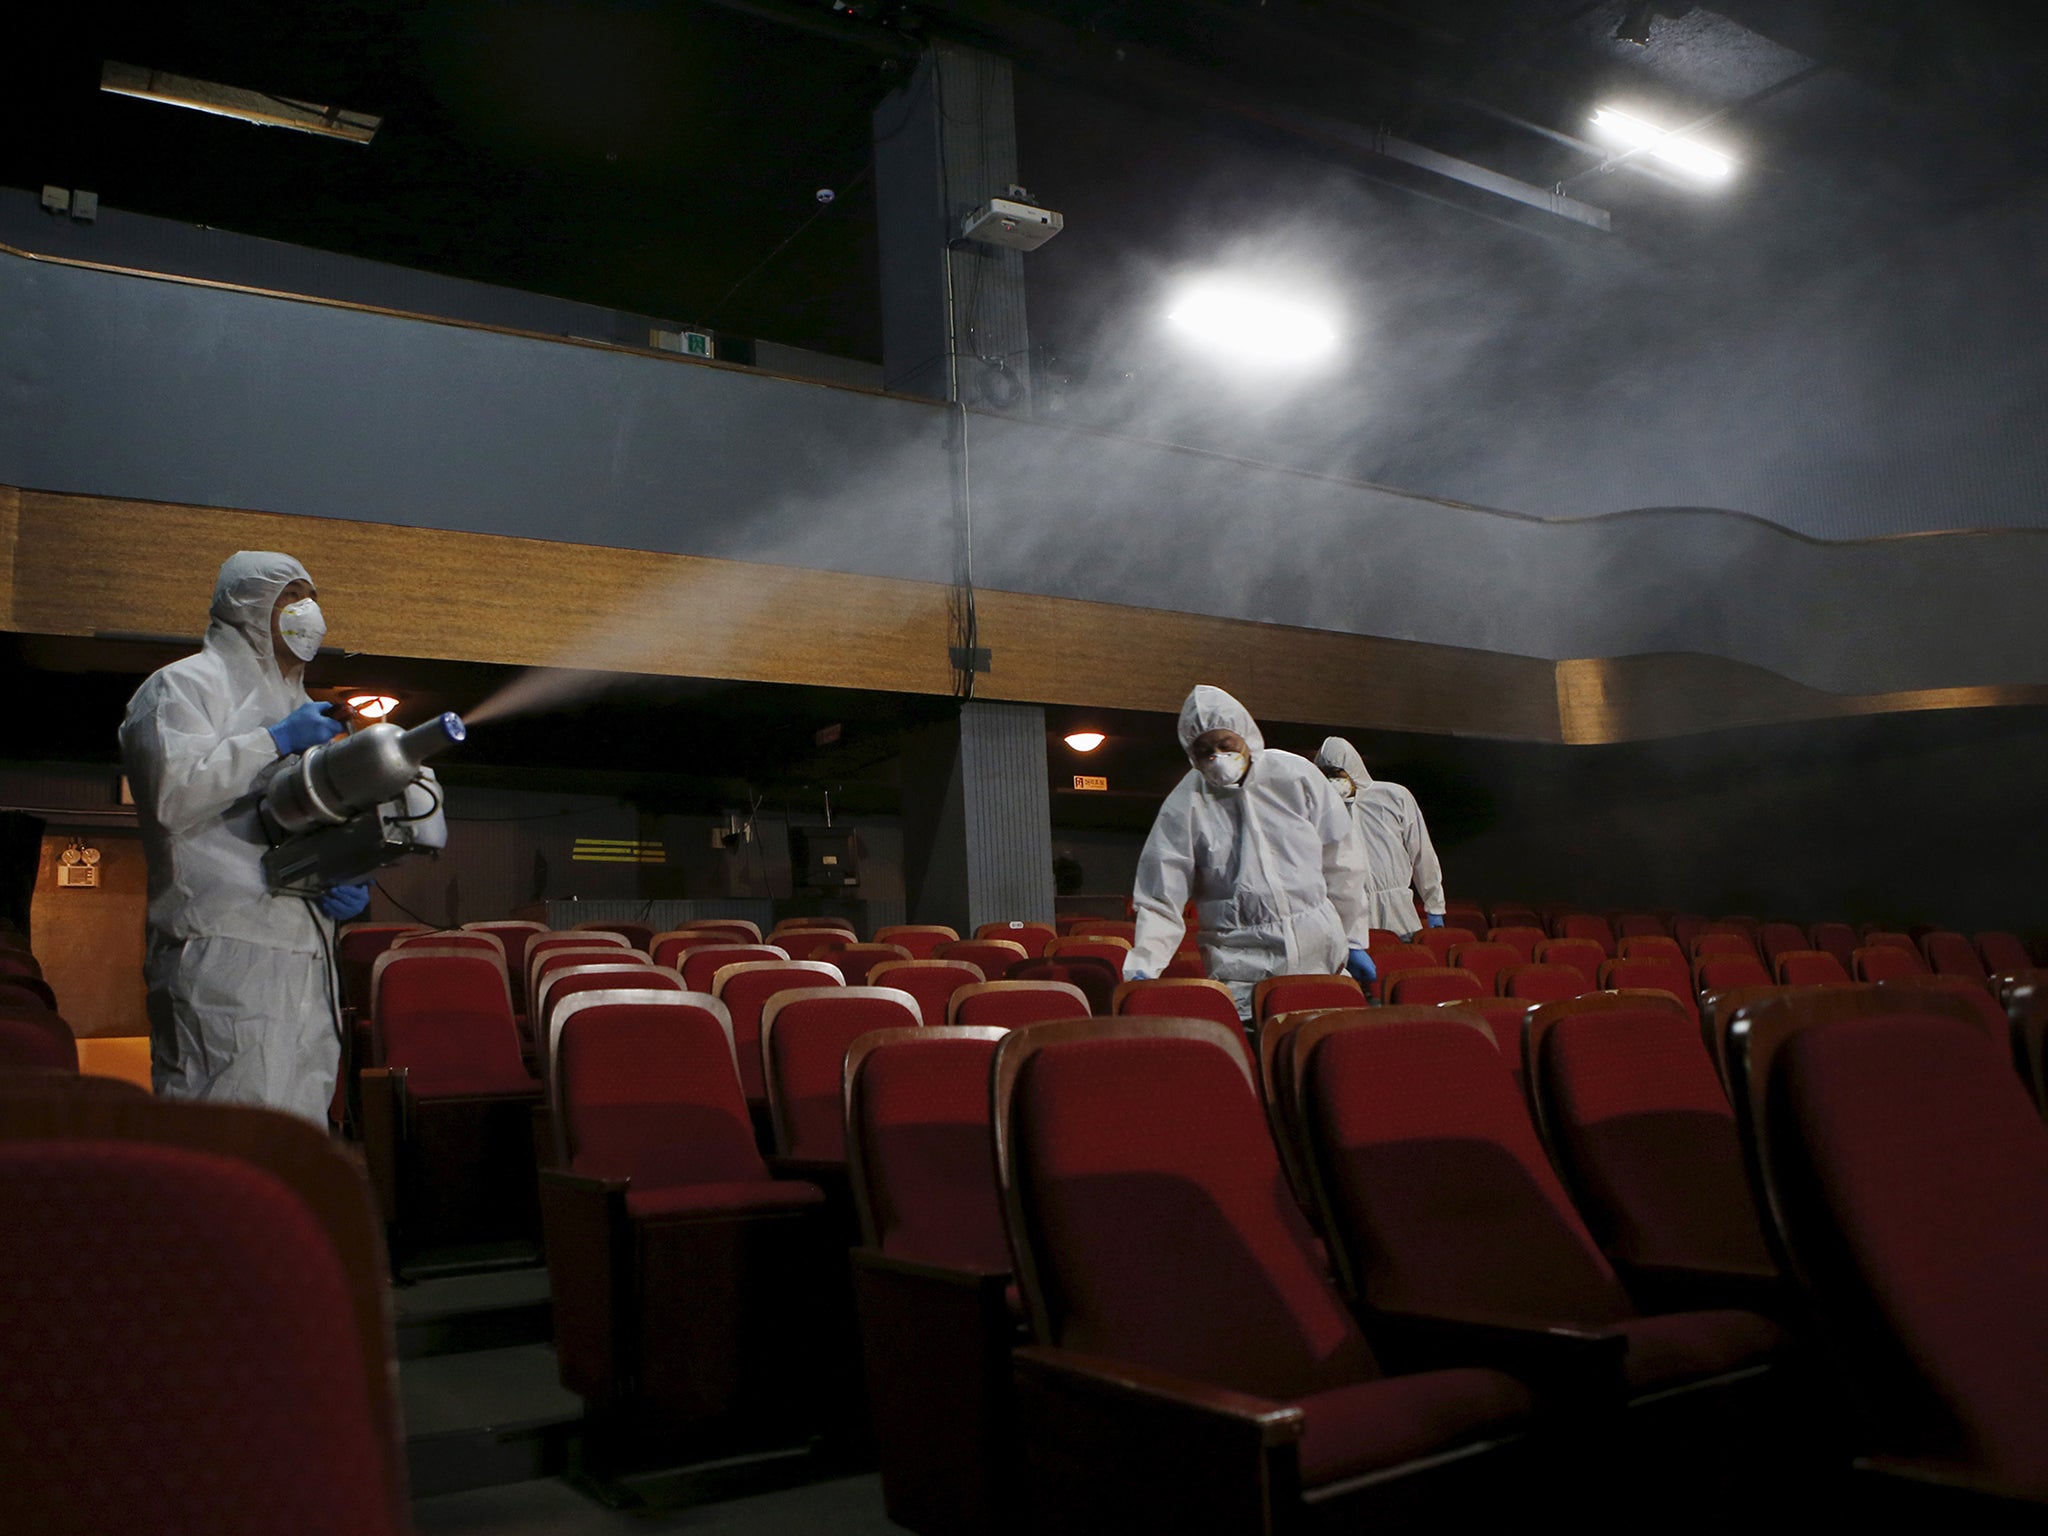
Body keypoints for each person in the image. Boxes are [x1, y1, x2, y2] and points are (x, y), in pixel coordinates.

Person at [120, 552, 372, 1125]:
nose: (307, 611)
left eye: (312, 595)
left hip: (305, 951)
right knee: (224, 1128)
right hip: (220, 943)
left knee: (300, 1131)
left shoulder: (308, 712)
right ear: (247, 605)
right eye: (290, 595)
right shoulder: (180, 687)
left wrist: (348, 873)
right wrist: (272, 739)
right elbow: (171, 797)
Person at [1124, 686, 1371, 1018]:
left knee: (1328, 1050)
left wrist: (1353, 936)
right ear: (1190, 754)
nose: (1218, 758)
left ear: (1246, 735)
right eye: (1204, 751)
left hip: (1319, 951)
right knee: (1262, 1051)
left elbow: (1341, 860)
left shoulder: (1294, 776)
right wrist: (1145, 963)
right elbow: (1161, 893)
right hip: (1241, 963)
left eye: (1226, 745)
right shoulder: (1185, 805)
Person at [1315, 737, 1446, 941]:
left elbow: (1422, 853)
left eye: (1337, 773)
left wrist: (1434, 904)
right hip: (1349, 914)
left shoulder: (1394, 796)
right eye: (1327, 774)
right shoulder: (1321, 808)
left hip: (1397, 911)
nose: (1334, 780)